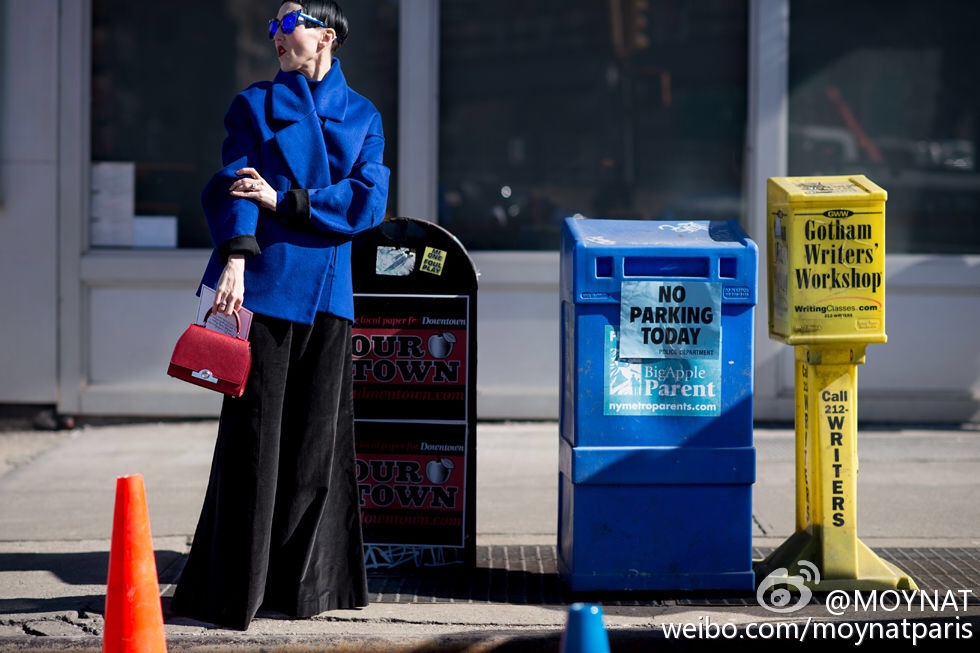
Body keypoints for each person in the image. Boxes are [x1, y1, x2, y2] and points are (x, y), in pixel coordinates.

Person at [170, 0, 390, 631]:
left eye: (286, 24)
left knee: (316, 448)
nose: (275, 36)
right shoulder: (254, 105)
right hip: (266, 283)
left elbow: (369, 201)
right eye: (270, 26)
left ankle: (306, 590)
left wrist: (287, 198)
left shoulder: (364, 115)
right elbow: (237, 181)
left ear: (324, 35)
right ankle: (233, 590)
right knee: (255, 442)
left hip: (328, 294)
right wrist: (236, 259)